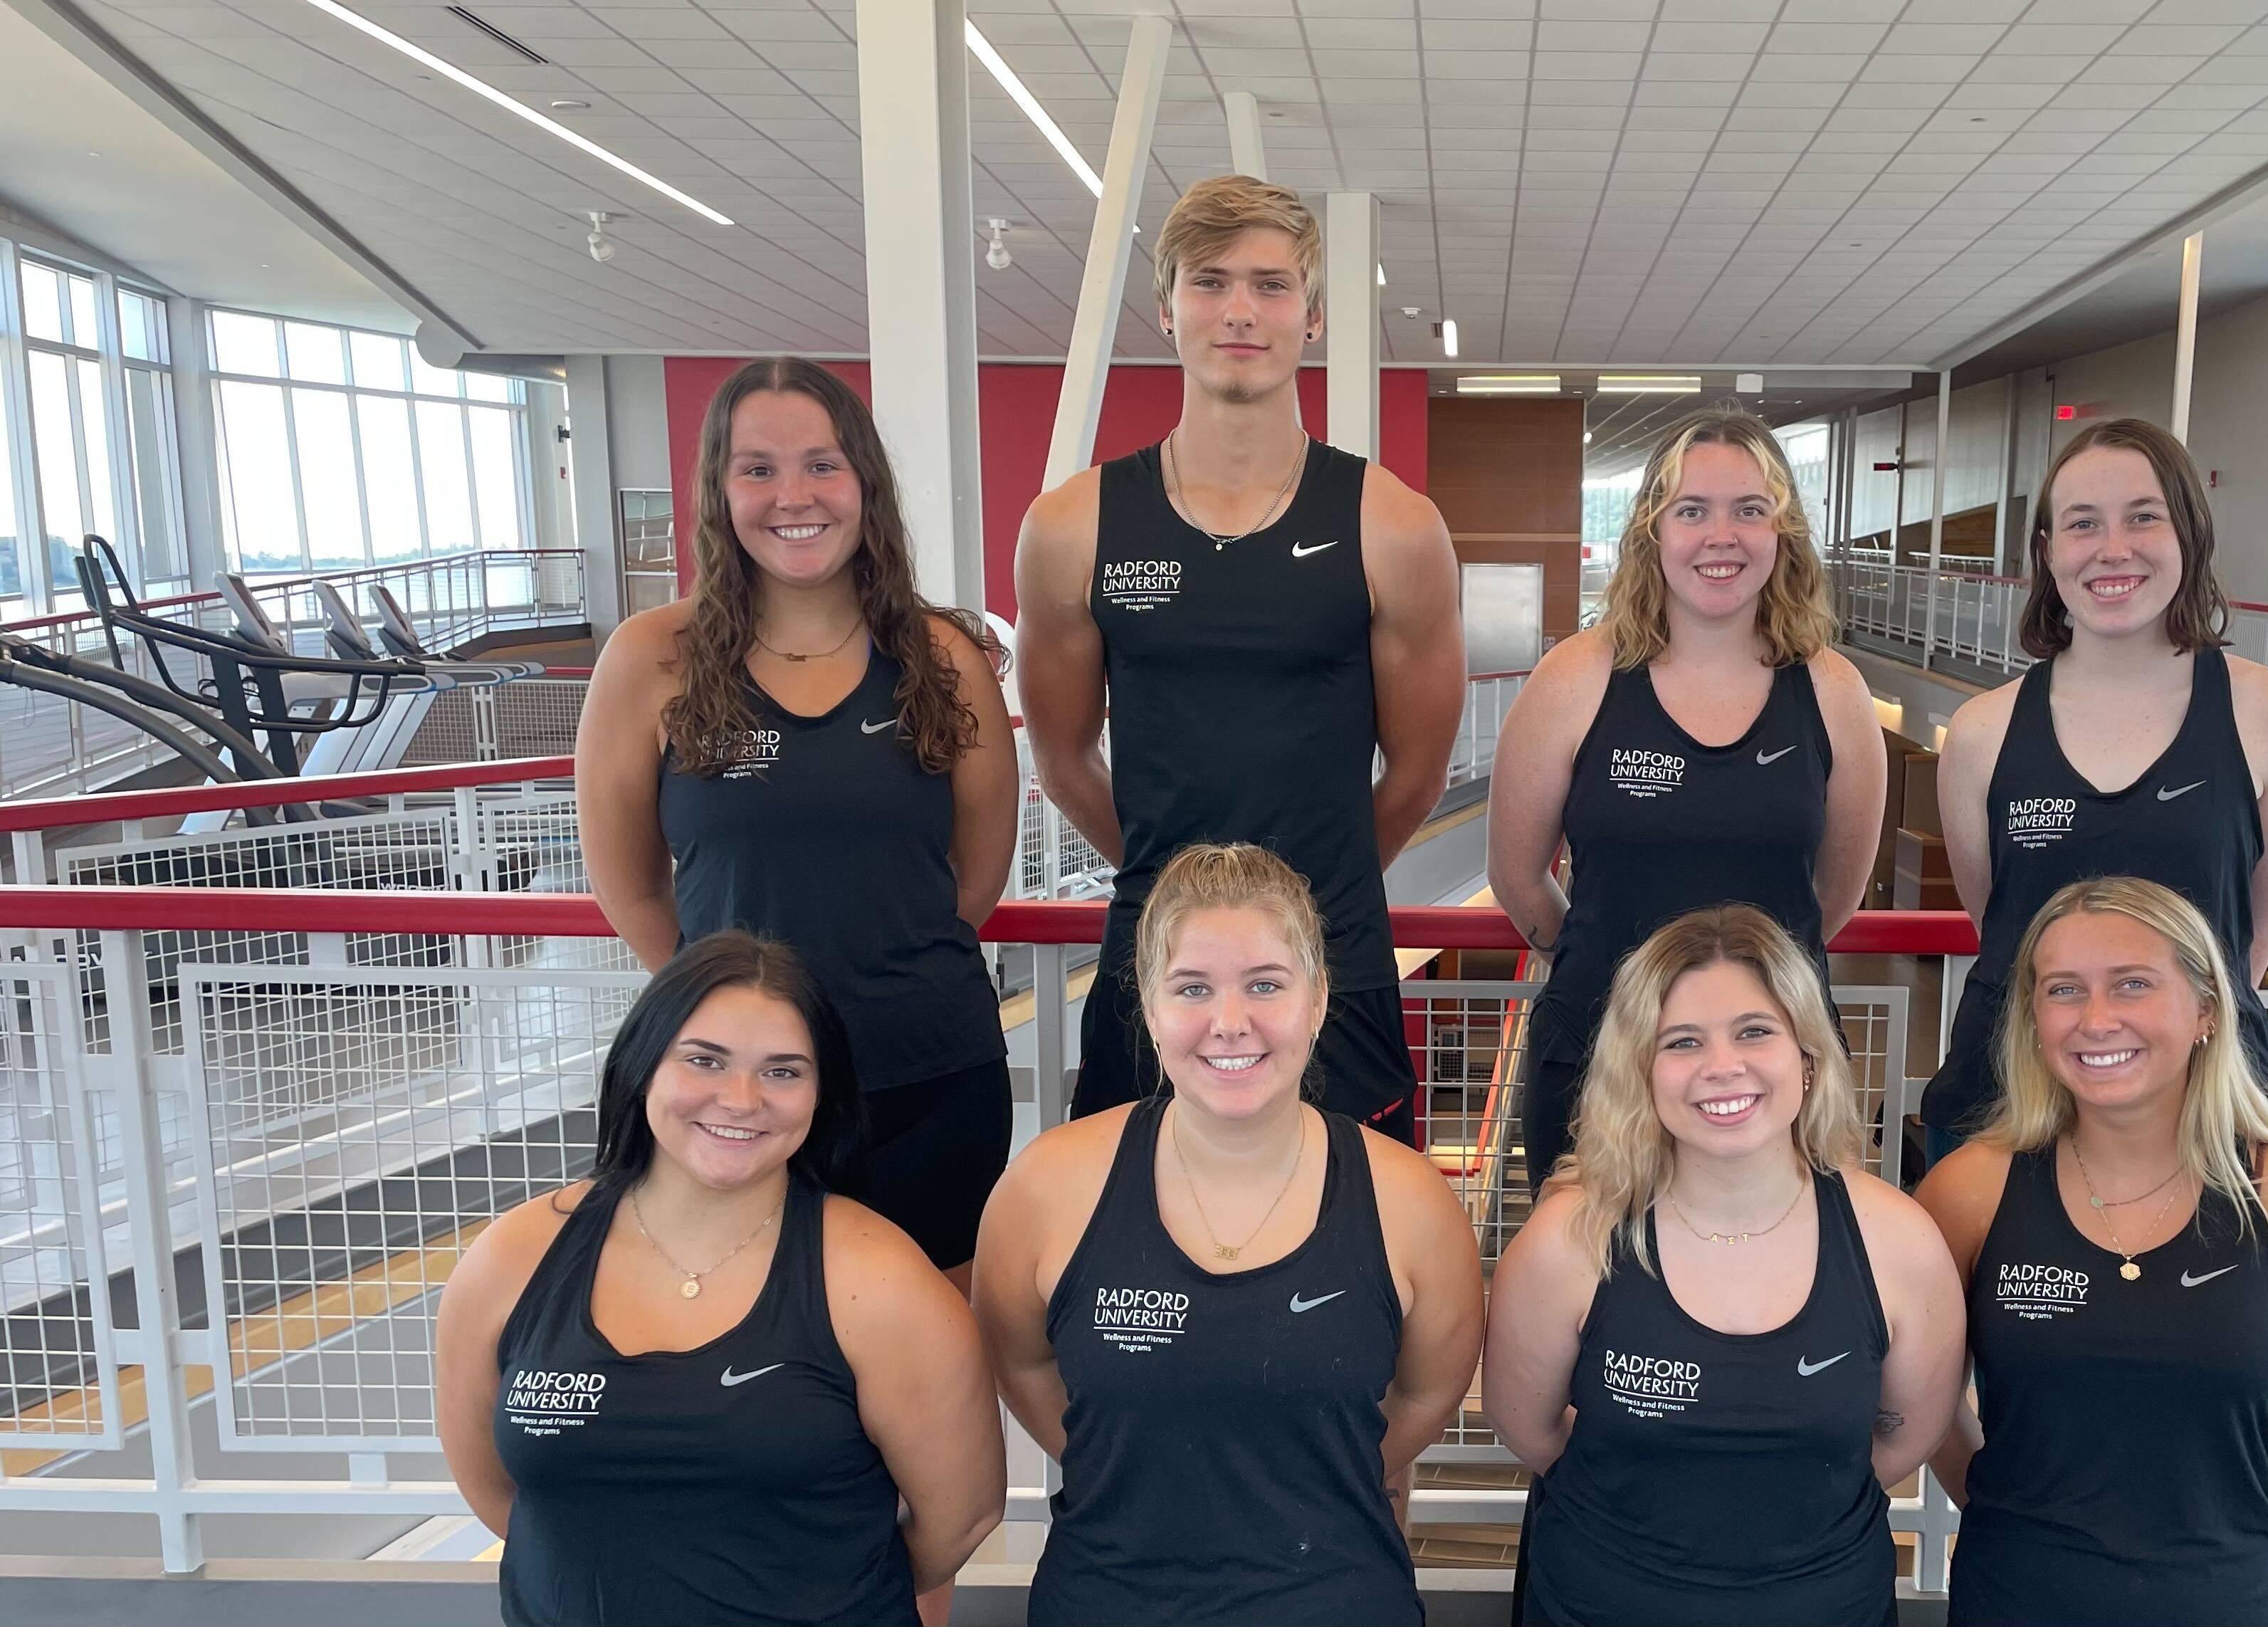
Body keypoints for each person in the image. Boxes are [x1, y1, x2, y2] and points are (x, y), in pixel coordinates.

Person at [1017, 174, 1465, 1146]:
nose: (1239, 311)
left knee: (1356, 1246)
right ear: (1166, 305)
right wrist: (1179, 889)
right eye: (1211, 282)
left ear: (1309, 316)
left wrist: (1303, 897)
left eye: (1268, 285)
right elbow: (1061, 759)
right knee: (1134, 1244)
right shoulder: (1072, 528)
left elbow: (1420, 771)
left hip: (1334, 960)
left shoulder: (1392, 527)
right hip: (1154, 957)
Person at [578, 357, 1018, 1294]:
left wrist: (877, 979)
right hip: (739, 1094)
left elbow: (975, 874)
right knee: (756, 1367)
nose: (793, 496)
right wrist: (743, 1011)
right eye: (758, 468)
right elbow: (632, 888)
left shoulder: (942, 656)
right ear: (718, 490)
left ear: (864, 481)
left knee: (931, 1360)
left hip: (927, 1074)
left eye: (821, 464)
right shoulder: (651, 661)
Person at [972, 843, 1486, 1626]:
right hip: (1109, 1595)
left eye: (1266, 984)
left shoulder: (1411, 1202)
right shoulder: (1046, 1187)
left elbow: (1423, 1394)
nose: (1230, 1022)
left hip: (1334, 1596)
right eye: (1193, 988)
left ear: (1316, 1001)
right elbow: (1023, 1363)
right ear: (1148, 1005)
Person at [434, 933, 1006, 1627]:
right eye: (705, 1060)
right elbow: (499, 1492)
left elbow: (960, 1515)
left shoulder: (881, 1282)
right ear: (643, 1065)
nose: (740, 1098)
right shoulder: (514, 1258)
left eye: (783, 1071)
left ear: (822, 1094)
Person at [1914, 877, 2268, 1627]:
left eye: (2131, 984)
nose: (2096, 1019)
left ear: (2203, 1007)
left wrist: (2212, 1553)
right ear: (2033, 1018)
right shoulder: (1969, 1191)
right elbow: (1924, 1406)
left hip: (2226, 1602)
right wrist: (2018, 1515)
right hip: (2016, 1595)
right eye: (2063, 989)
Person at [1486, 905, 1966, 1626]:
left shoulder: (1898, 1242)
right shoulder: (1569, 1241)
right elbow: (1529, 1428)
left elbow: (1906, 1435)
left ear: (1807, 1054)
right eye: (1681, 1041)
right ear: (1639, 1069)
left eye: (1754, 1031)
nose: (1722, 1066)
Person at [1489, 410, 1885, 1189]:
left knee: (1775, 1289)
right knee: (1592, 1291)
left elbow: (1830, 898)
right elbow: (1517, 877)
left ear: (1783, 531)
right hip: (1602, 1050)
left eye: (1749, 509)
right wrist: (1617, 971)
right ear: (1652, 530)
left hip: (1774, 1066)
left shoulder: (1833, 689)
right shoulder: (1576, 677)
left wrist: (1742, 992)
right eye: (1692, 510)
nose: (1721, 535)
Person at [1930, 418, 2268, 1163]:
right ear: (2048, 553)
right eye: (2083, 525)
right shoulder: (1982, 731)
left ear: (2187, 533)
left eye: (2142, 517)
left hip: (2200, 1112)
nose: (2113, 548)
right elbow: (2000, 923)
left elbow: (2249, 932)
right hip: (2007, 1106)